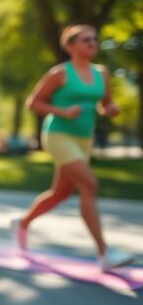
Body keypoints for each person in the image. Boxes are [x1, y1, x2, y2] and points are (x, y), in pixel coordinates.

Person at [15, 25, 136, 271]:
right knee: (89, 185)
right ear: (70, 46)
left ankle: (23, 222)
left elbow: (106, 103)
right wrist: (62, 111)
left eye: (94, 39)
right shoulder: (60, 73)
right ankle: (104, 253)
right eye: (85, 40)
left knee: (61, 193)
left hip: (84, 138)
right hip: (58, 134)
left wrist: (110, 110)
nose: (92, 43)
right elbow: (33, 103)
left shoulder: (101, 73)